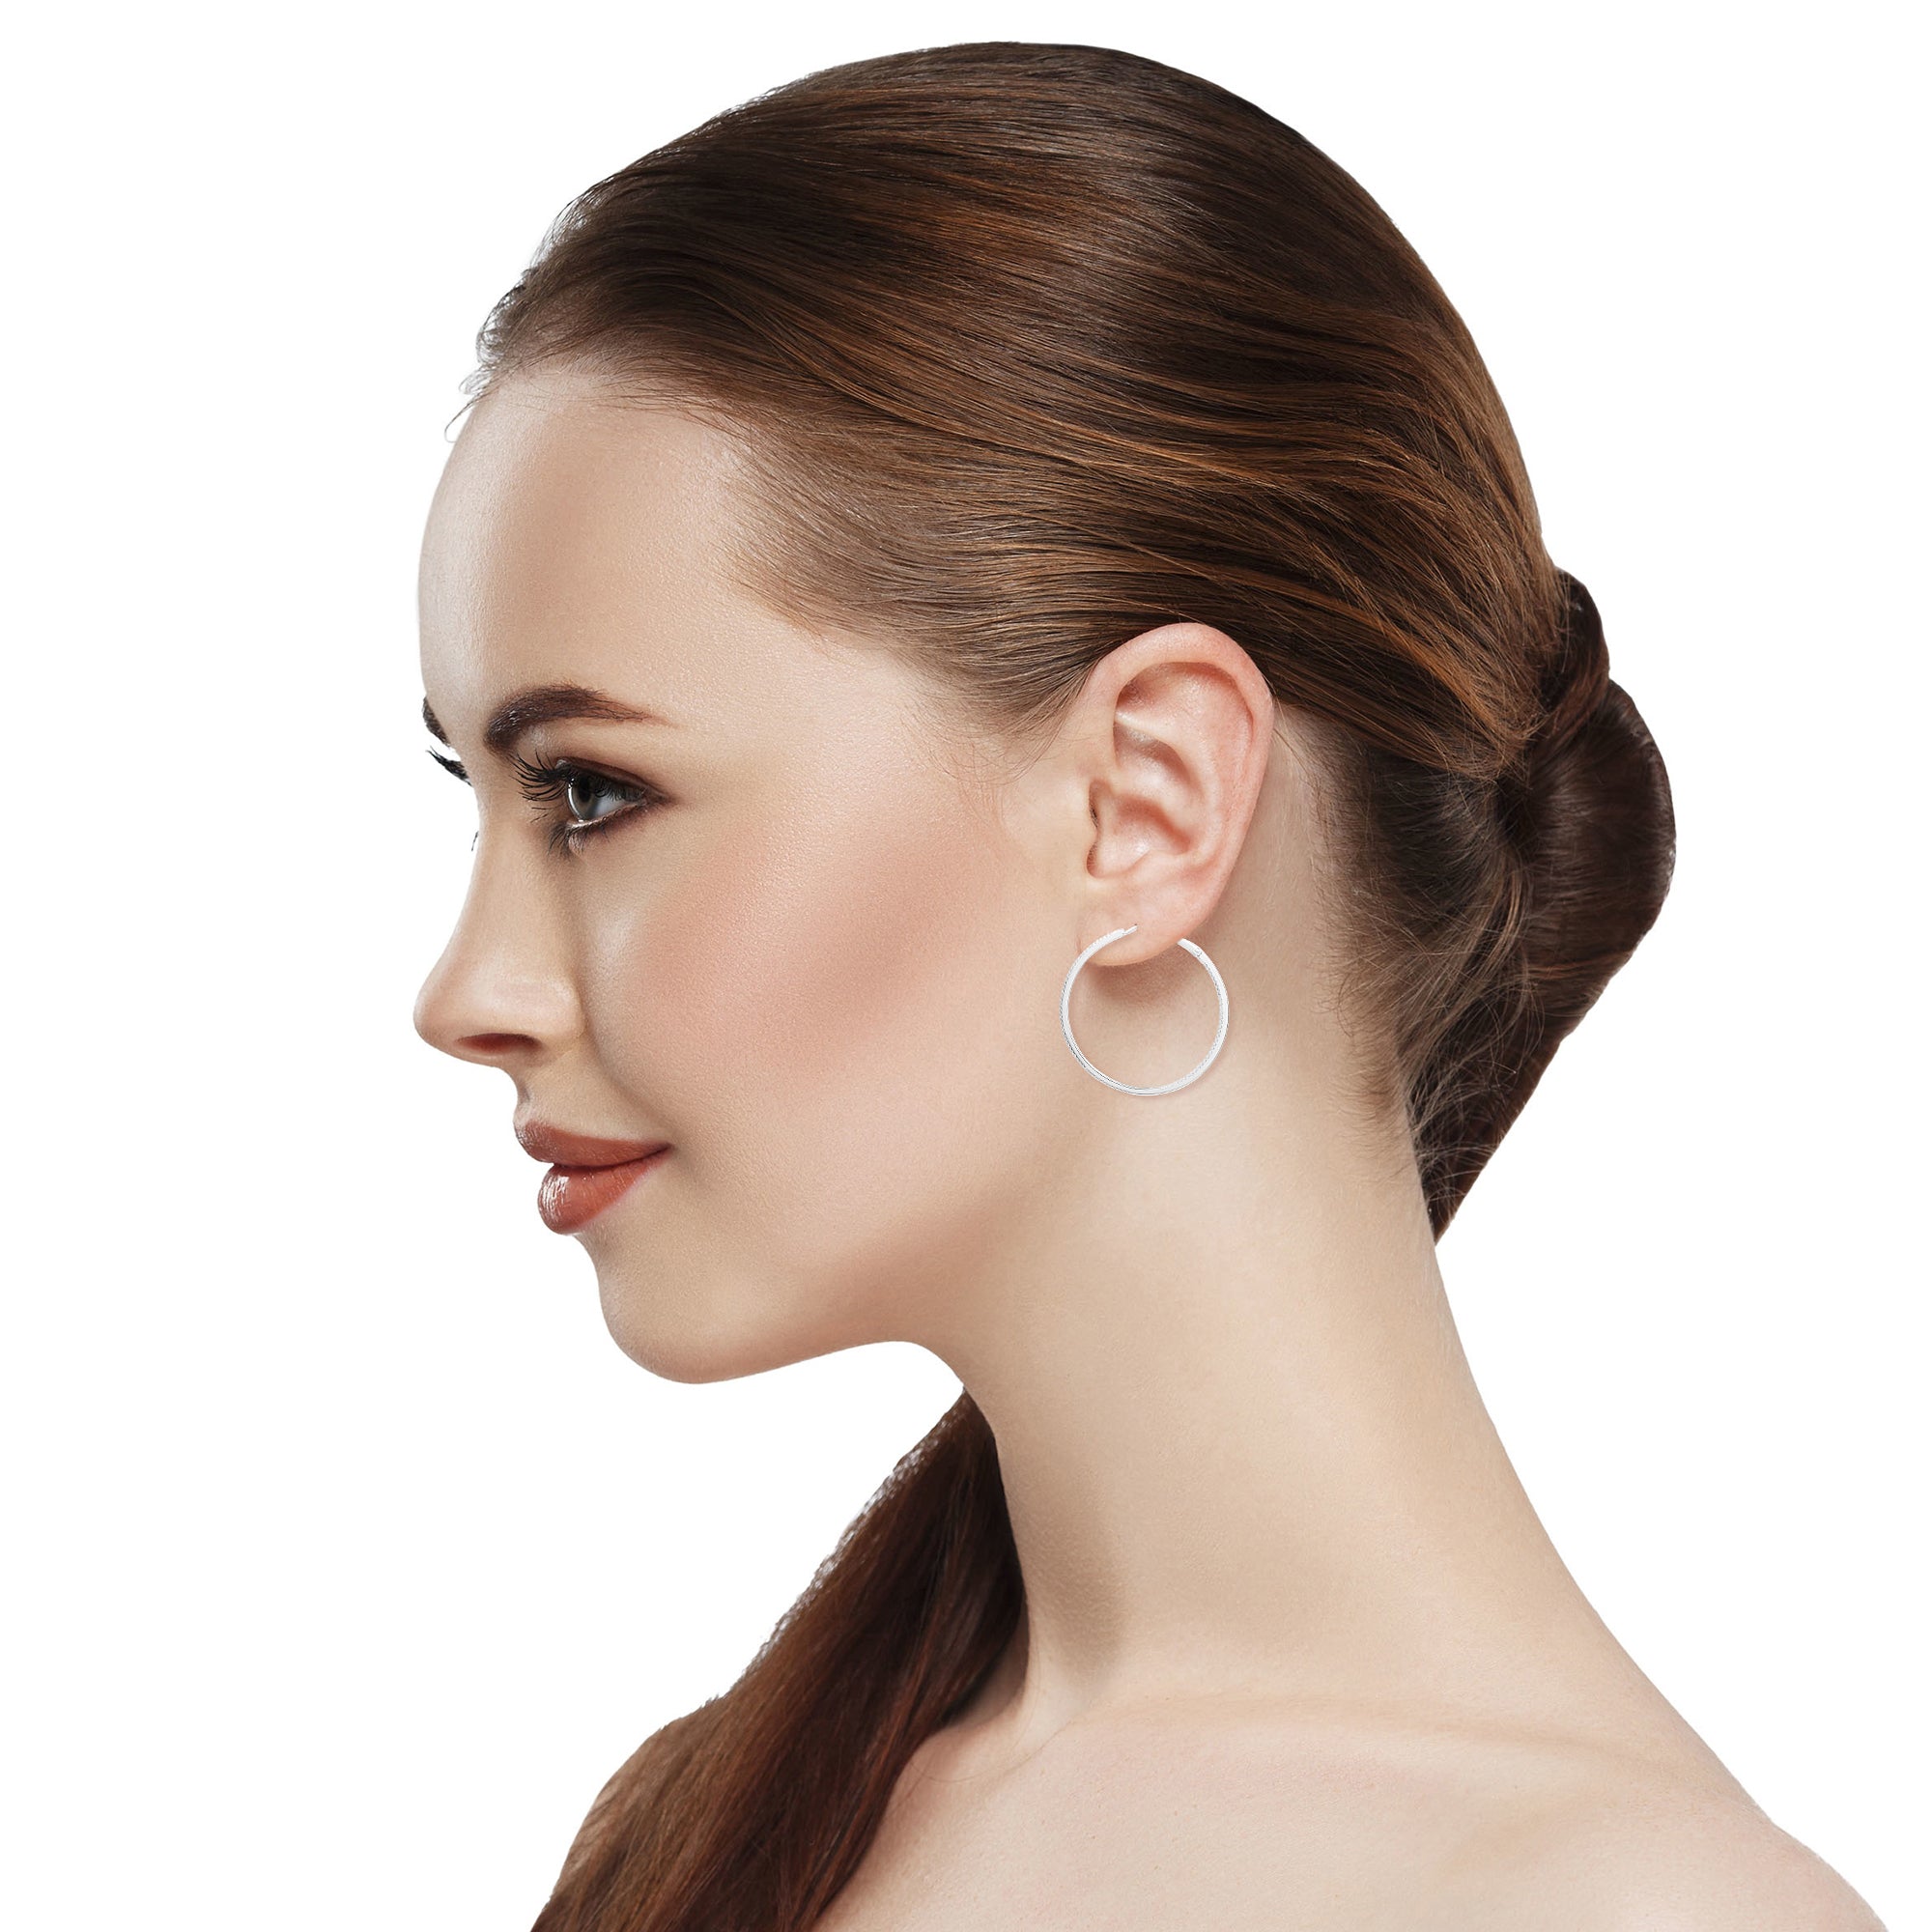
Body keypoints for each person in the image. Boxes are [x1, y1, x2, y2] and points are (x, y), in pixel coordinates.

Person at [411, 40, 1884, 1932]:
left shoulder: (1632, 1913)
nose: (466, 990)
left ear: (1147, 802)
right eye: (480, 799)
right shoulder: (708, 1818)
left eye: (592, 794)